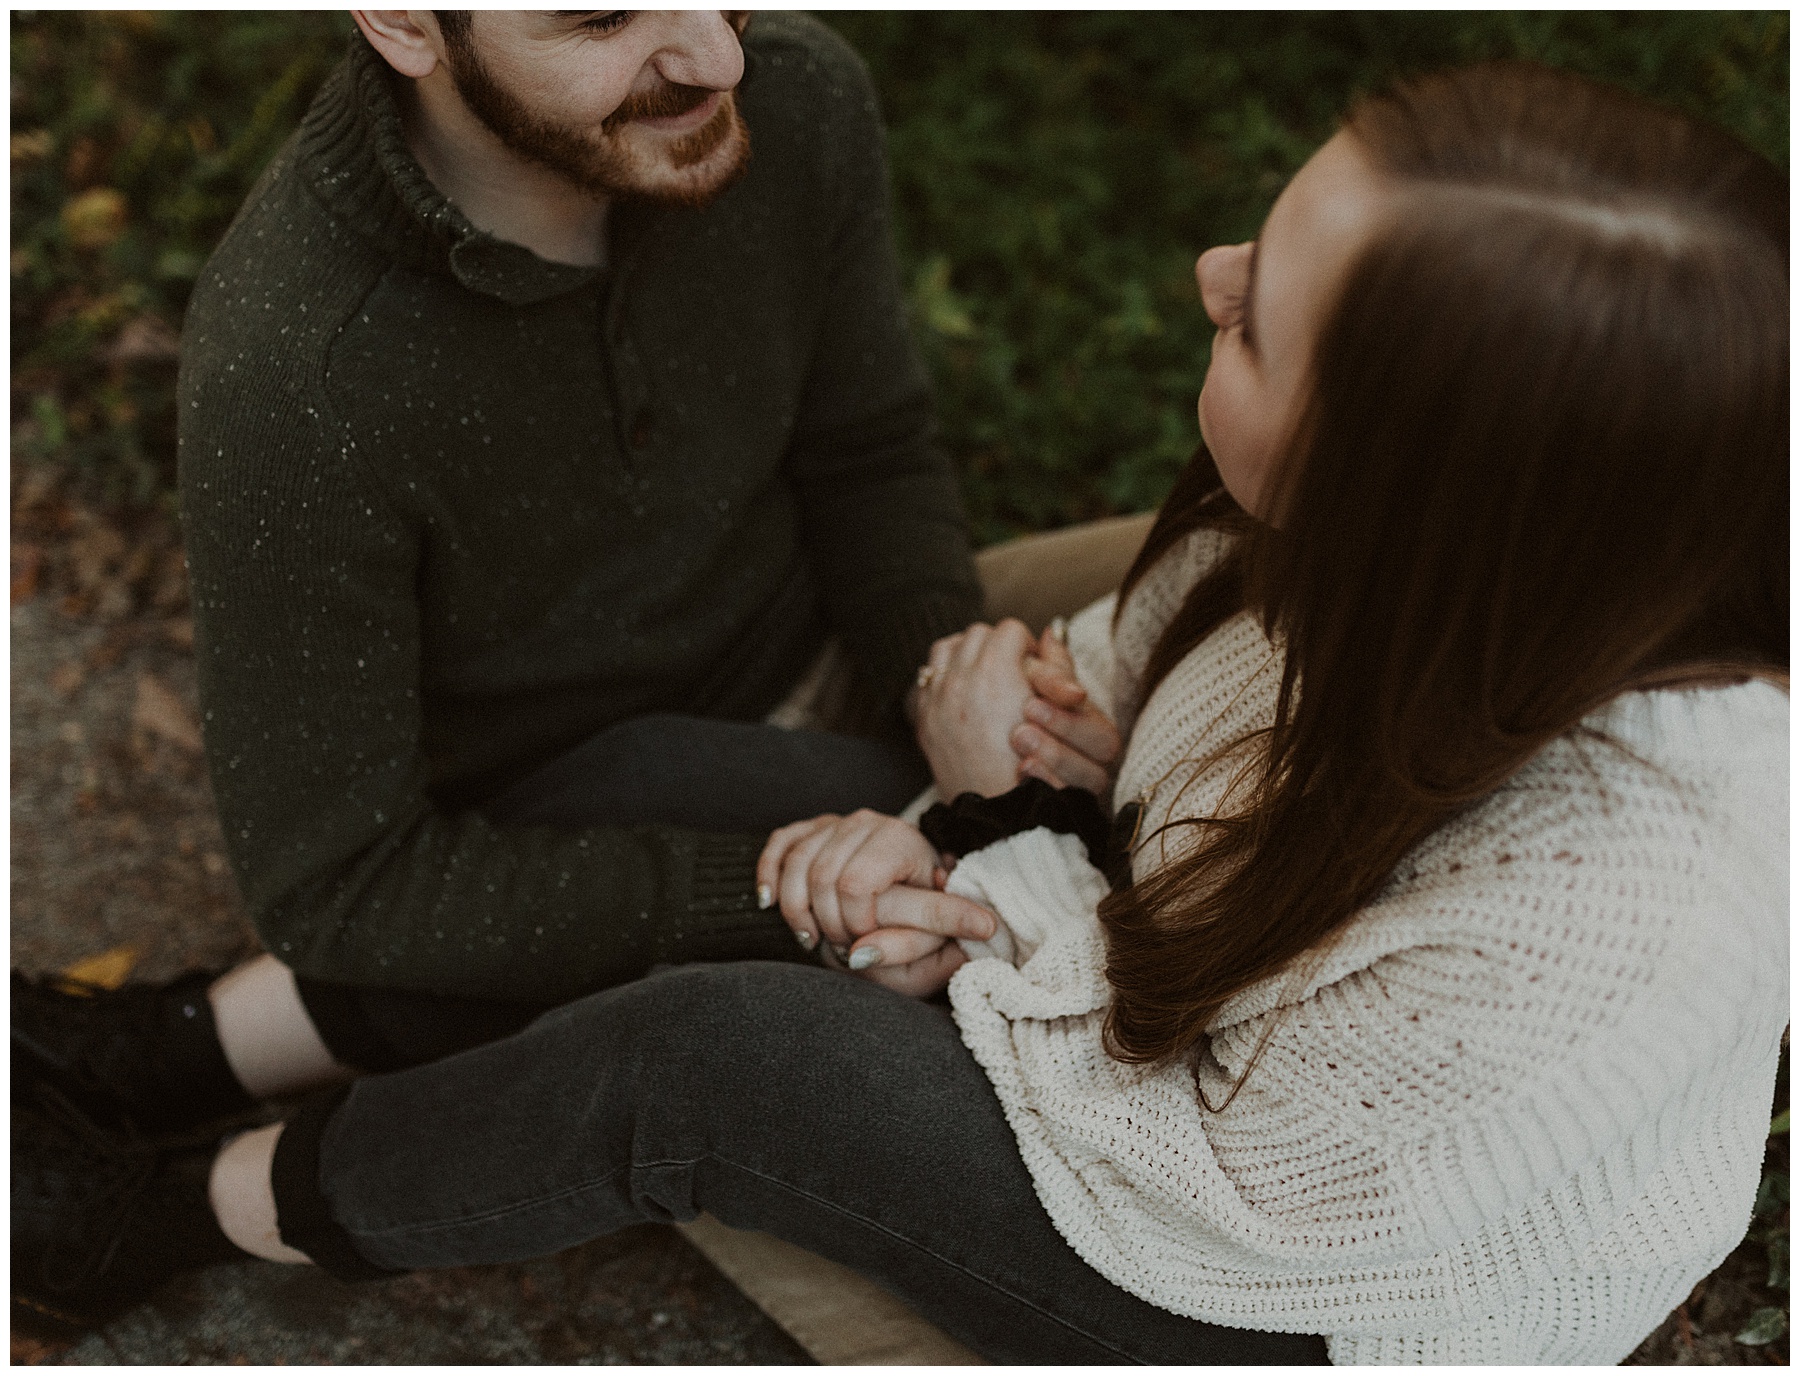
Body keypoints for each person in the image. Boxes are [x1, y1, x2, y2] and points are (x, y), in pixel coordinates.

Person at [14, 61, 1786, 1364]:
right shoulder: (1455, 565)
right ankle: (169, 1047)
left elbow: (1208, 1179)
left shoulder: (1609, 919)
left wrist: (985, 868)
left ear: (1418, 495)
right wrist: (1007, 774)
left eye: (1265, 325)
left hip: (1261, 1275)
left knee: (714, 1059)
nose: (1209, 274)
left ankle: (165, 1211)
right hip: (1163, 954)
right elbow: (1148, 674)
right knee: (650, 779)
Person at [11, 9, 1132, 1134]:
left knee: (1208, 639)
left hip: (825, 647)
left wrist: (951, 685)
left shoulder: (797, 94)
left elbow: (867, 450)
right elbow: (340, 886)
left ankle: (181, 1049)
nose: (723, 59)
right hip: (592, 820)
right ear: (404, 20)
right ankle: (182, 1104)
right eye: (601, 14)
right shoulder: (301, 369)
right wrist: (764, 893)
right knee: (1094, 946)